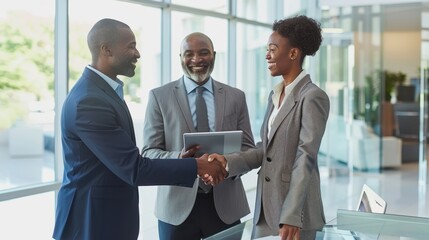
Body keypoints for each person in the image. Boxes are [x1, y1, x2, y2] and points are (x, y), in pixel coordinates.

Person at [52, 19, 226, 240]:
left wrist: (182, 160)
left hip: (106, 219)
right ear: (107, 50)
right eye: (131, 46)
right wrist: (196, 166)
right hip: (91, 223)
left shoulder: (104, 91)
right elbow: (134, 168)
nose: (137, 54)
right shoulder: (89, 100)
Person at [208, 15, 330, 240]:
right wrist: (228, 162)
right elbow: (265, 150)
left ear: (293, 53)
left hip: (294, 216)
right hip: (266, 210)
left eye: (273, 49)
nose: (267, 55)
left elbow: (306, 157)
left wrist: (292, 215)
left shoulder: (312, 97)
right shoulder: (275, 95)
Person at [141, 32, 255, 240]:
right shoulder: (159, 97)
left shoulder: (235, 97)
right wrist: (180, 160)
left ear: (214, 55)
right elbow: (148, 152)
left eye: (203, 53)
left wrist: (227, 163)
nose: (196, 60)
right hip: (176, 209)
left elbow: (248, 149)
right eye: (189, 54)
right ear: (180, 57)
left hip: (225, 206)